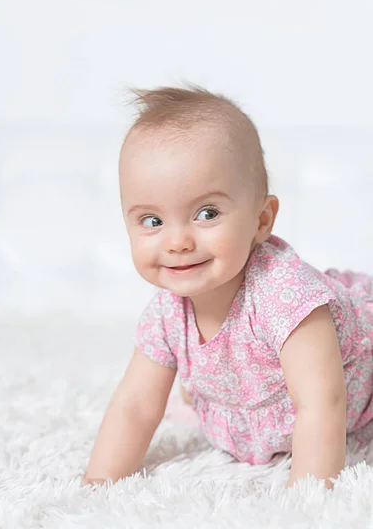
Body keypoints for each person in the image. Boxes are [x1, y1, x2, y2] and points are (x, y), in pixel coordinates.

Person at [82, 85, 373, 490]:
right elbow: (135, 405)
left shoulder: (288, 299)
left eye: (207, 213)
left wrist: (309, 500)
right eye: (152, 221)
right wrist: (100, 480)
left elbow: (322, 403)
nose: (177, 241)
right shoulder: (167, 313)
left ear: (261, 219)